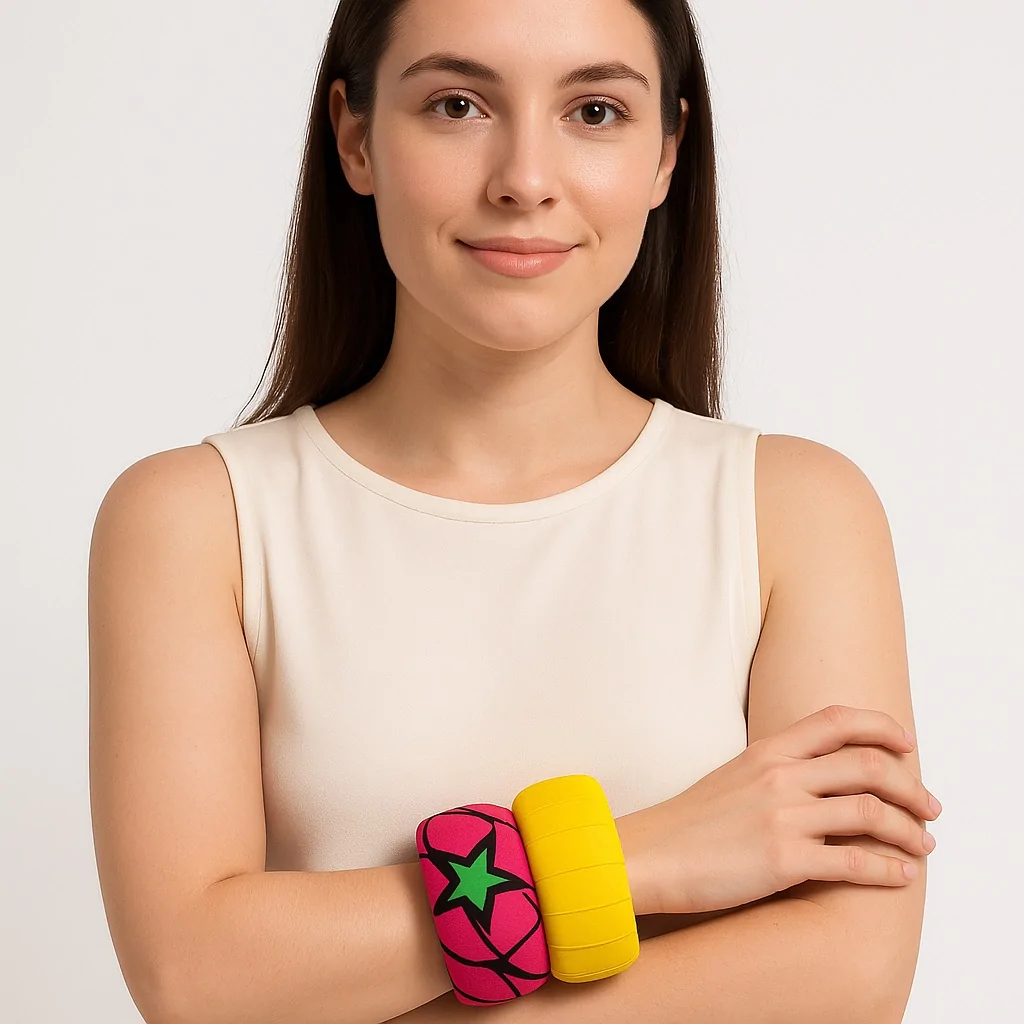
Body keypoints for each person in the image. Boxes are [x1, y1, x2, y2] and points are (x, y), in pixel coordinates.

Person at [88, 1, 941, 1021]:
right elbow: (196, 975)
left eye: (593, 110)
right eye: (457, 104)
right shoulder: (197, 520)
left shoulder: (796, 511)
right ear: (357, 138)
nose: (525, 178)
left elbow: (850, 979)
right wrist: (642, 854)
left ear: (667, 155)